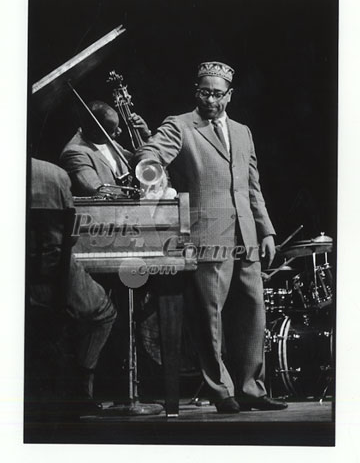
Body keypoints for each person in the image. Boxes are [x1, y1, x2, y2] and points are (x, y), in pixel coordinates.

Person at [133, 61, 288, 413]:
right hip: (205, 236)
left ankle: (251, 388)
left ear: (229, 96)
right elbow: (150, 152)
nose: (211, 100)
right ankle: (221, 391)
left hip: (245, 235)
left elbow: (252, 187)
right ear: (196, 90)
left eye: (218, 94)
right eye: (205, 92)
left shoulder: (243, 131)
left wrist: (266, 230)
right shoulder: (180, 125)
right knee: (210, 318)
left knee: (252, 314)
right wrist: (151, 172)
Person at [28, 157, 118, 417]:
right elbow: (72, 234)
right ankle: (80, 386)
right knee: (104, 313)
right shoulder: (54, 174)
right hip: (53, 273)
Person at [60, 100, 150, 196]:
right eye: (112, 130)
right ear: (95, 133)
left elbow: (140, 161)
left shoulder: (103, 139)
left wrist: (146, 136)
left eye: (118, 126)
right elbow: (97, 192)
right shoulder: (74, 153)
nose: (119, 131)